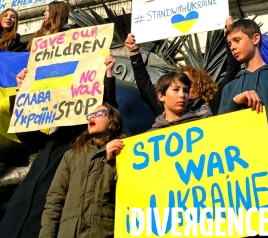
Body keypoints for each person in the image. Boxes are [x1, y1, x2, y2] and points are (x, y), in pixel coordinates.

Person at [0, 55, 118, 238]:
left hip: (43, 219)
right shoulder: (49, 141)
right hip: (17, 213)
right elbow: (23, 130)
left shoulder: (81, 148)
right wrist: (21, 90)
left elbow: (108, 112)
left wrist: (108, 74)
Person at [218, 19, 268, 216]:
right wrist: (235, 102)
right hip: (238, 183)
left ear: (255, 38)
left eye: (237, 40)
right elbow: (218, 134)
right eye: (229, 44)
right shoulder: (229, 88)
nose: (233, 47)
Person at [124, 16, 241, 117]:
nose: (182, 89)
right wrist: (134, 53)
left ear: (200, 86)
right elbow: (145, 87)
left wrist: (229, 36)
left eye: (187, 84)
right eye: (176, 86)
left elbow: (232, 73)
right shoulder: (166, 110)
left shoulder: (212, 106)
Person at [39, 102, 124, 238]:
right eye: (91, 115)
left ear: (112, 124)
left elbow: (130, 193)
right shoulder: (72, 155)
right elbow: (54, 201)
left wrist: (110, 162)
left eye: (100, 114)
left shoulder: (123, 151)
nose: (93, 117)